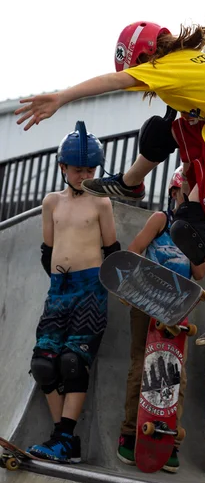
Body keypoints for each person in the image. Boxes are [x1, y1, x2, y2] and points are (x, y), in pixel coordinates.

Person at [15, 21, 205, 346]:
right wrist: (189, 168)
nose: (145, 87)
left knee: (188, 223)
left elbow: (113, 81)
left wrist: (62, 97)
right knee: (164, 127)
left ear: (143, 57)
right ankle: (130, 182)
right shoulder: (187, 65)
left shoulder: (164, 66)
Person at [26, 121, 120, 462]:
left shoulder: (101, 203)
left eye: (89, 169)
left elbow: (112, 250)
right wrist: (57, 284)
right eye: (77, 169)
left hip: (91, 288)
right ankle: (62, 437)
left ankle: (65, 438)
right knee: (44, 364)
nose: (84, 175)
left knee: (72, 362)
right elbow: (47, 251)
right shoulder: (51, 202)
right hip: (59, 290)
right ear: (62, 167)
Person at [117, 166, 205, 473]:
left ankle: (169, 440)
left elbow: (199, 274)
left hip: (178, 307)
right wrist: (131, 287)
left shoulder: (198, 230)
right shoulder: (161, 220)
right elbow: (134, 250)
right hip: (147, 302)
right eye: (187, 197)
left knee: (173, 372)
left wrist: (201, 242)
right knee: (141, 364)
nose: (192, 204)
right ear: (174, 193)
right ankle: (130, 433)